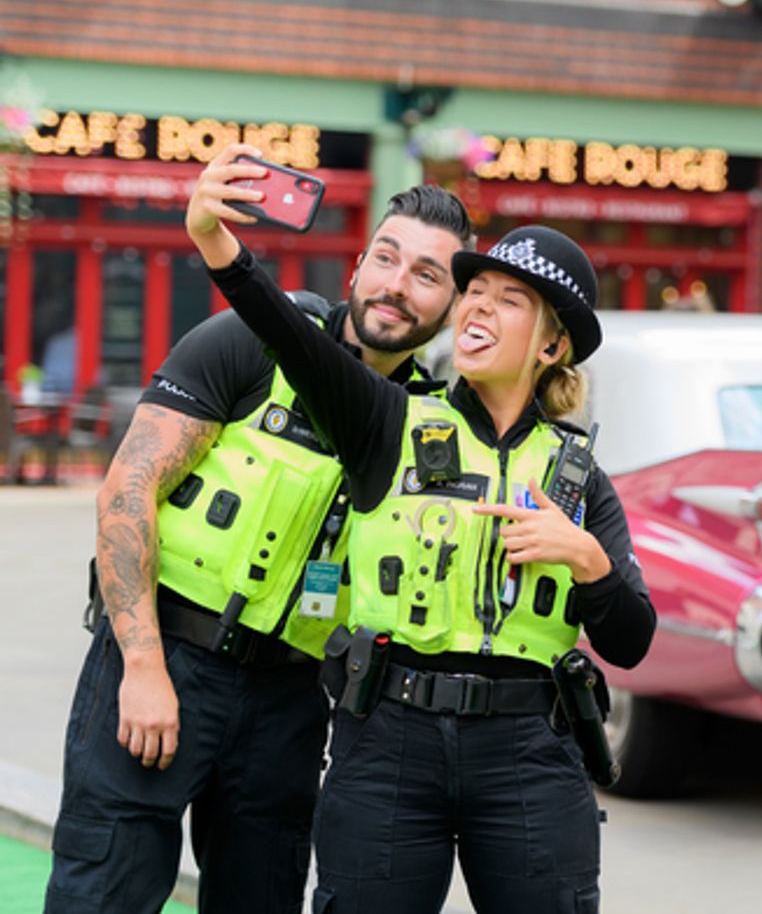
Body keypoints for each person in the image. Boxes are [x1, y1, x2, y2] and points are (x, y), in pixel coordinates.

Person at [187, 145, 655, 913]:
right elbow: (289, 335)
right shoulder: (386, 420)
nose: (476, 307)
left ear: (552, 344)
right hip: (389, 746)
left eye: (509, 300)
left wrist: (588, 560)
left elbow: (632, 639)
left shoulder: (579, 477)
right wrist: (218, 245)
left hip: (531, 757)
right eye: (474, 291)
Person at [45, 172, 475, 913]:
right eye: (385, 258)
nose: (397, 285)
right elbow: (126, 489)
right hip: (163, 657)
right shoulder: (250, 340)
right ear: (357, 266)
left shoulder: (430, 429)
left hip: (291, 701)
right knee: (103, 891)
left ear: (452, 304)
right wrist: (143, 665)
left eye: (427, 274)